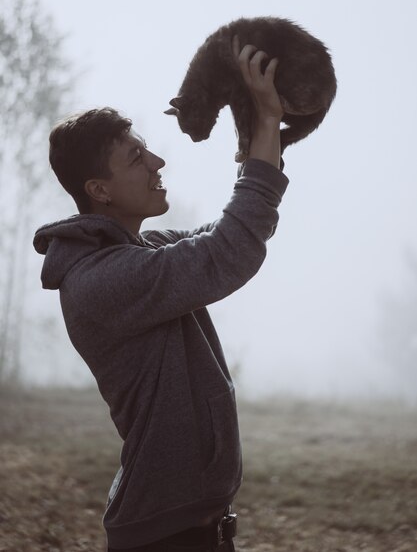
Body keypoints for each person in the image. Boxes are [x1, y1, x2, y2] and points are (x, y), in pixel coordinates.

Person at [33, 36, 289, 552]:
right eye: (135, 157)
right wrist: (264, 120)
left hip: (193, 527)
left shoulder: (141, 251)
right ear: (98, 190)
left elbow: (227, 233)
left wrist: (258, 133)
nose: (157, 161)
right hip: (166, 537)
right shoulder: (104, 280)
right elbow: (228, 251)